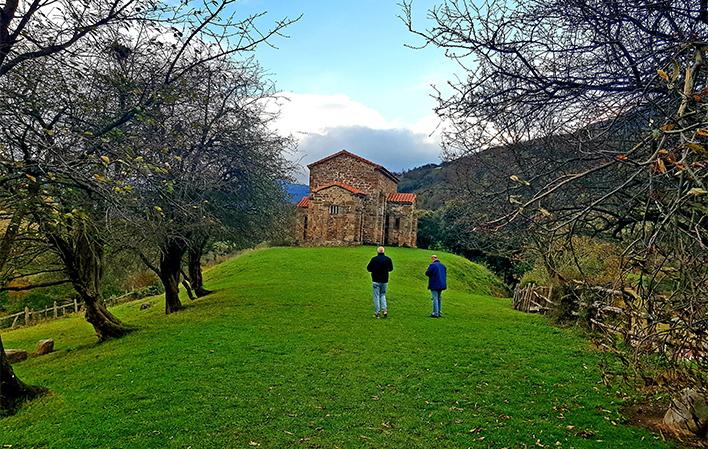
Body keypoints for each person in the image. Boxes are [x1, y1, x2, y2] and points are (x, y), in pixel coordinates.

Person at [366, 246, 393, 318]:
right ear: (383, 251)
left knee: (376, 296)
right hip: (384, 280)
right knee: (383, 294)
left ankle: (377, 313)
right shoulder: (388, 259)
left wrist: (374, 270)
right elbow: (391, 269)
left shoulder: (374, 259)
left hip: (375, 280)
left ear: (377, 252)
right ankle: (384, 310)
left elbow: (369, 268)